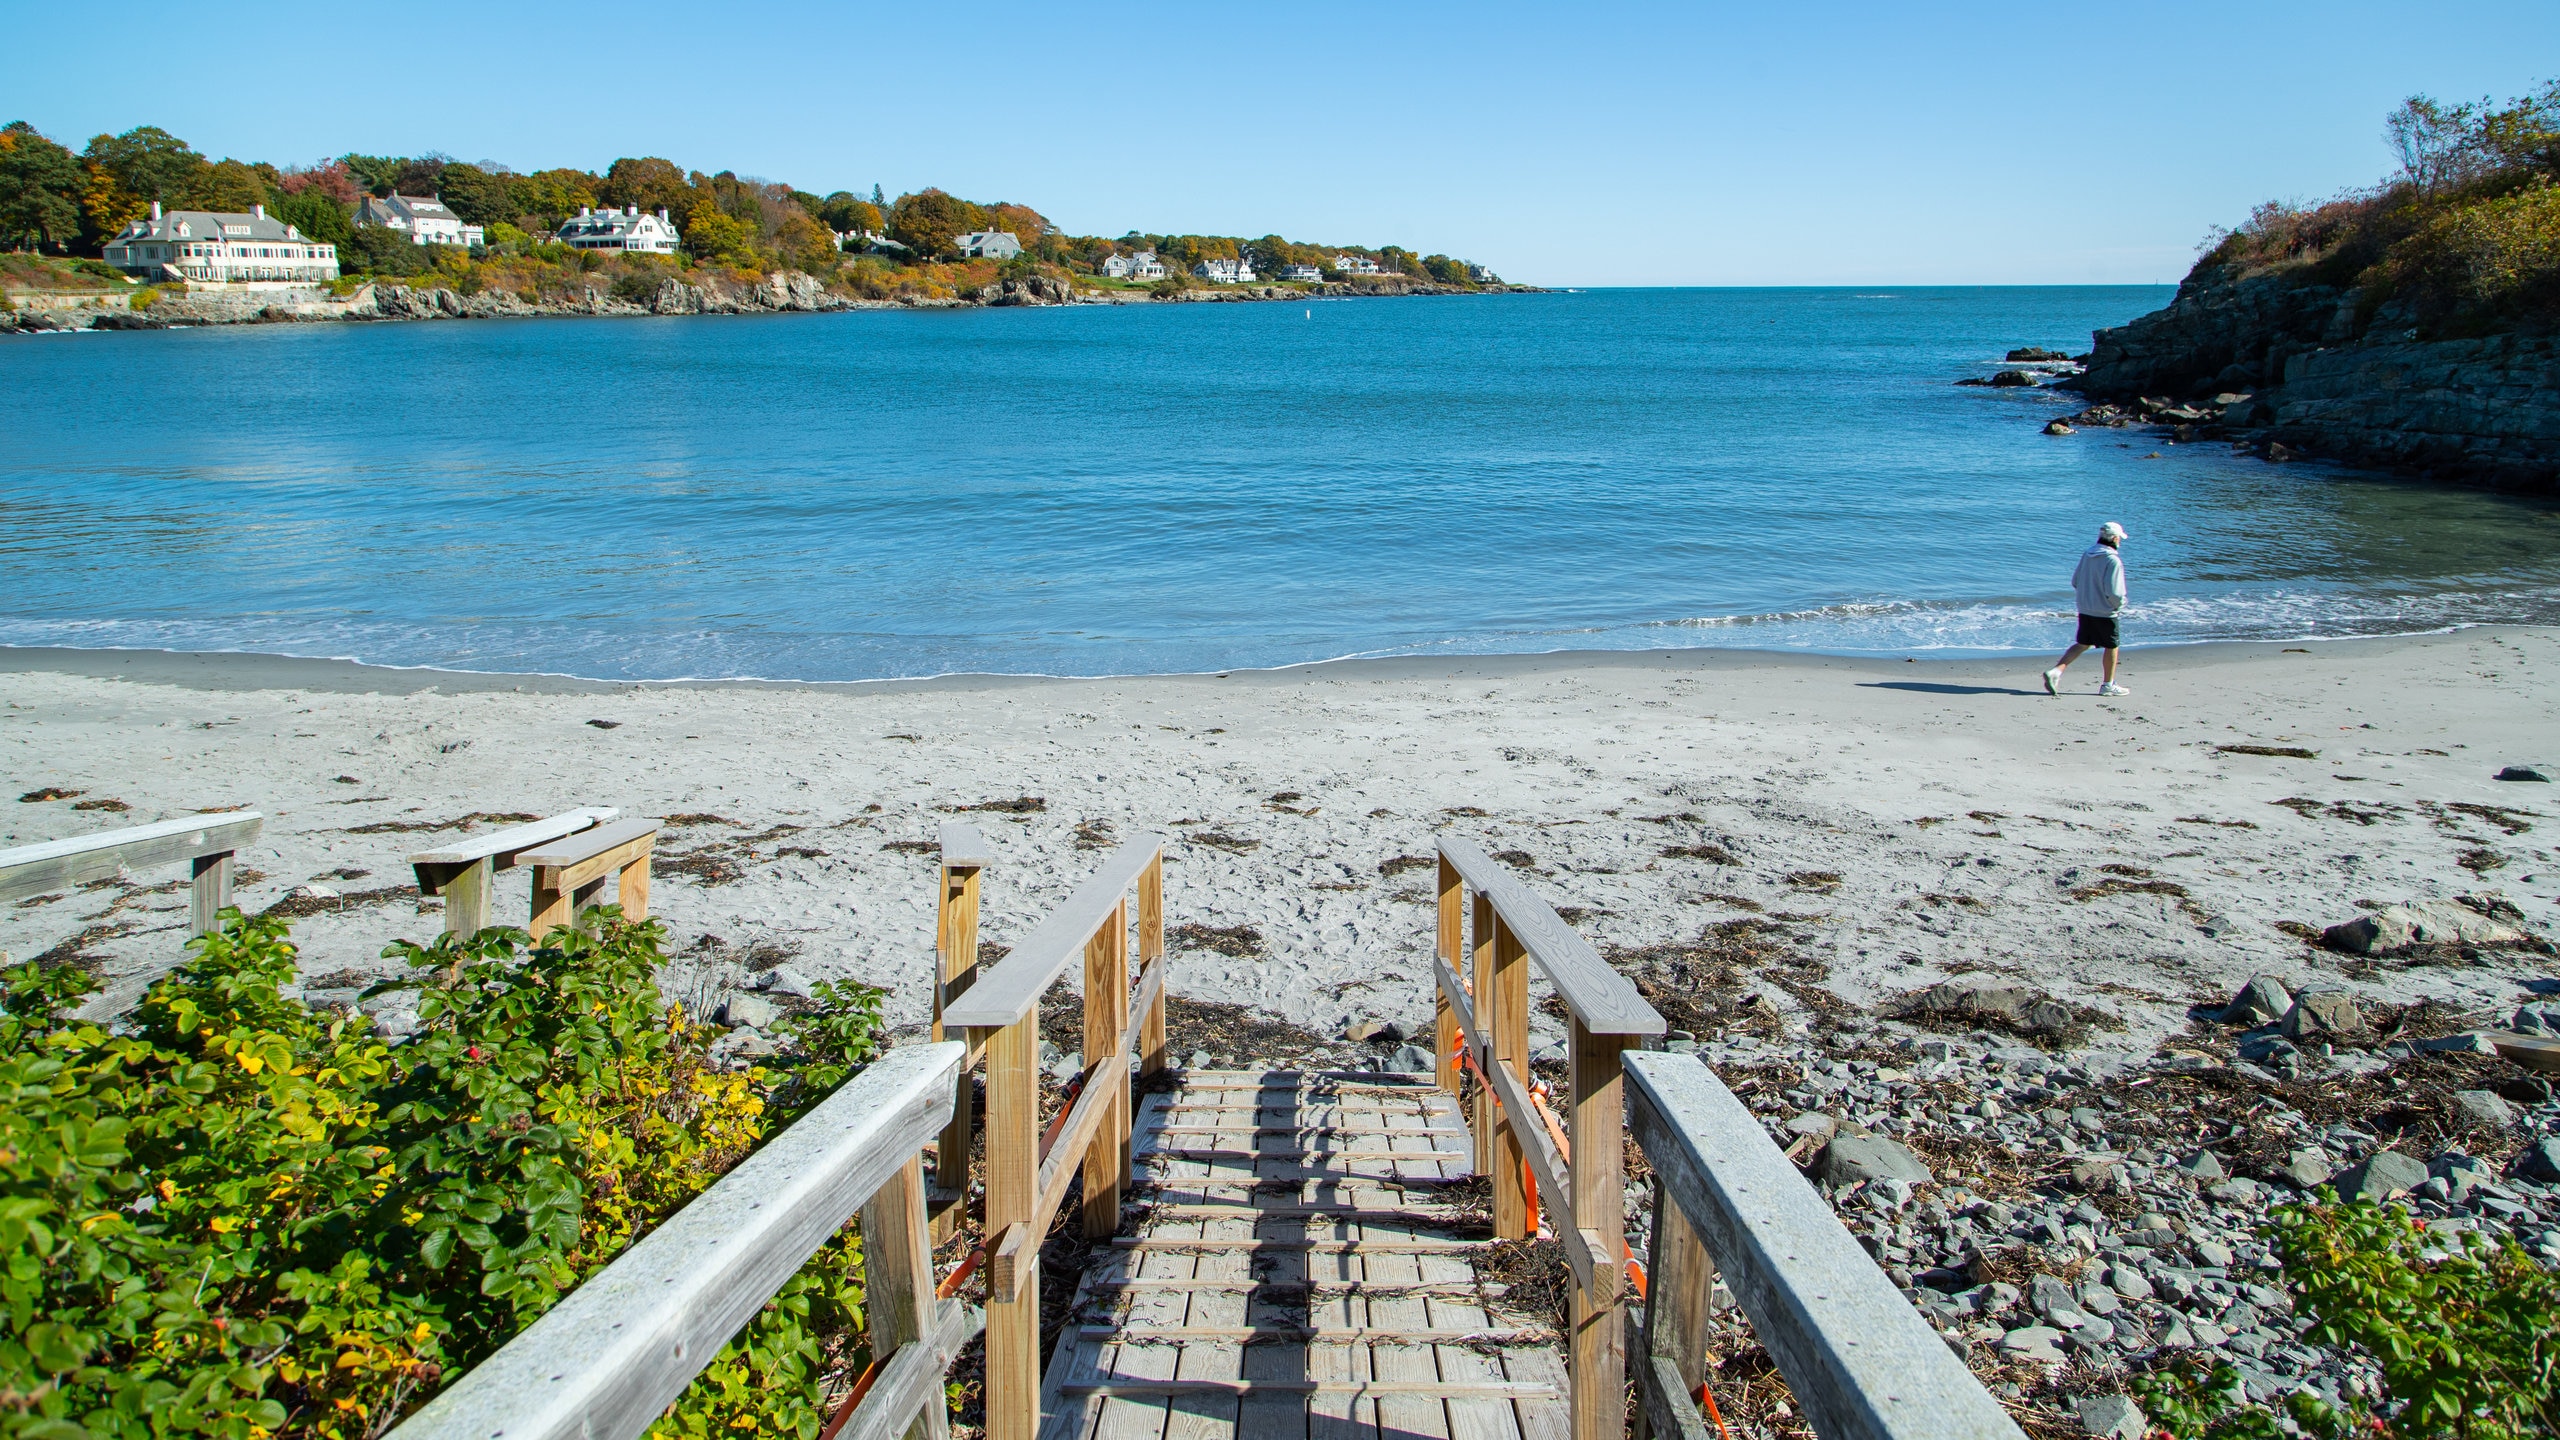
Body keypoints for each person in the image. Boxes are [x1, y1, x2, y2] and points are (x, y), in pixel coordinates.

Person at [2044, 522, 2130, 696]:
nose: (2120, 540)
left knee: (2084, 642)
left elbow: (2075, 581)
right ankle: (2108, 685)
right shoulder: (2112, 560)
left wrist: (2087, 598)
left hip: (2085, 608)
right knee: (2112, 645)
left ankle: (2057, 671)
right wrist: (2118, 605)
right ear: (2114, 538)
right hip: (2105, 611)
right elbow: (2114, 592)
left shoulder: (2087, 554)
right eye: (2119, 538)